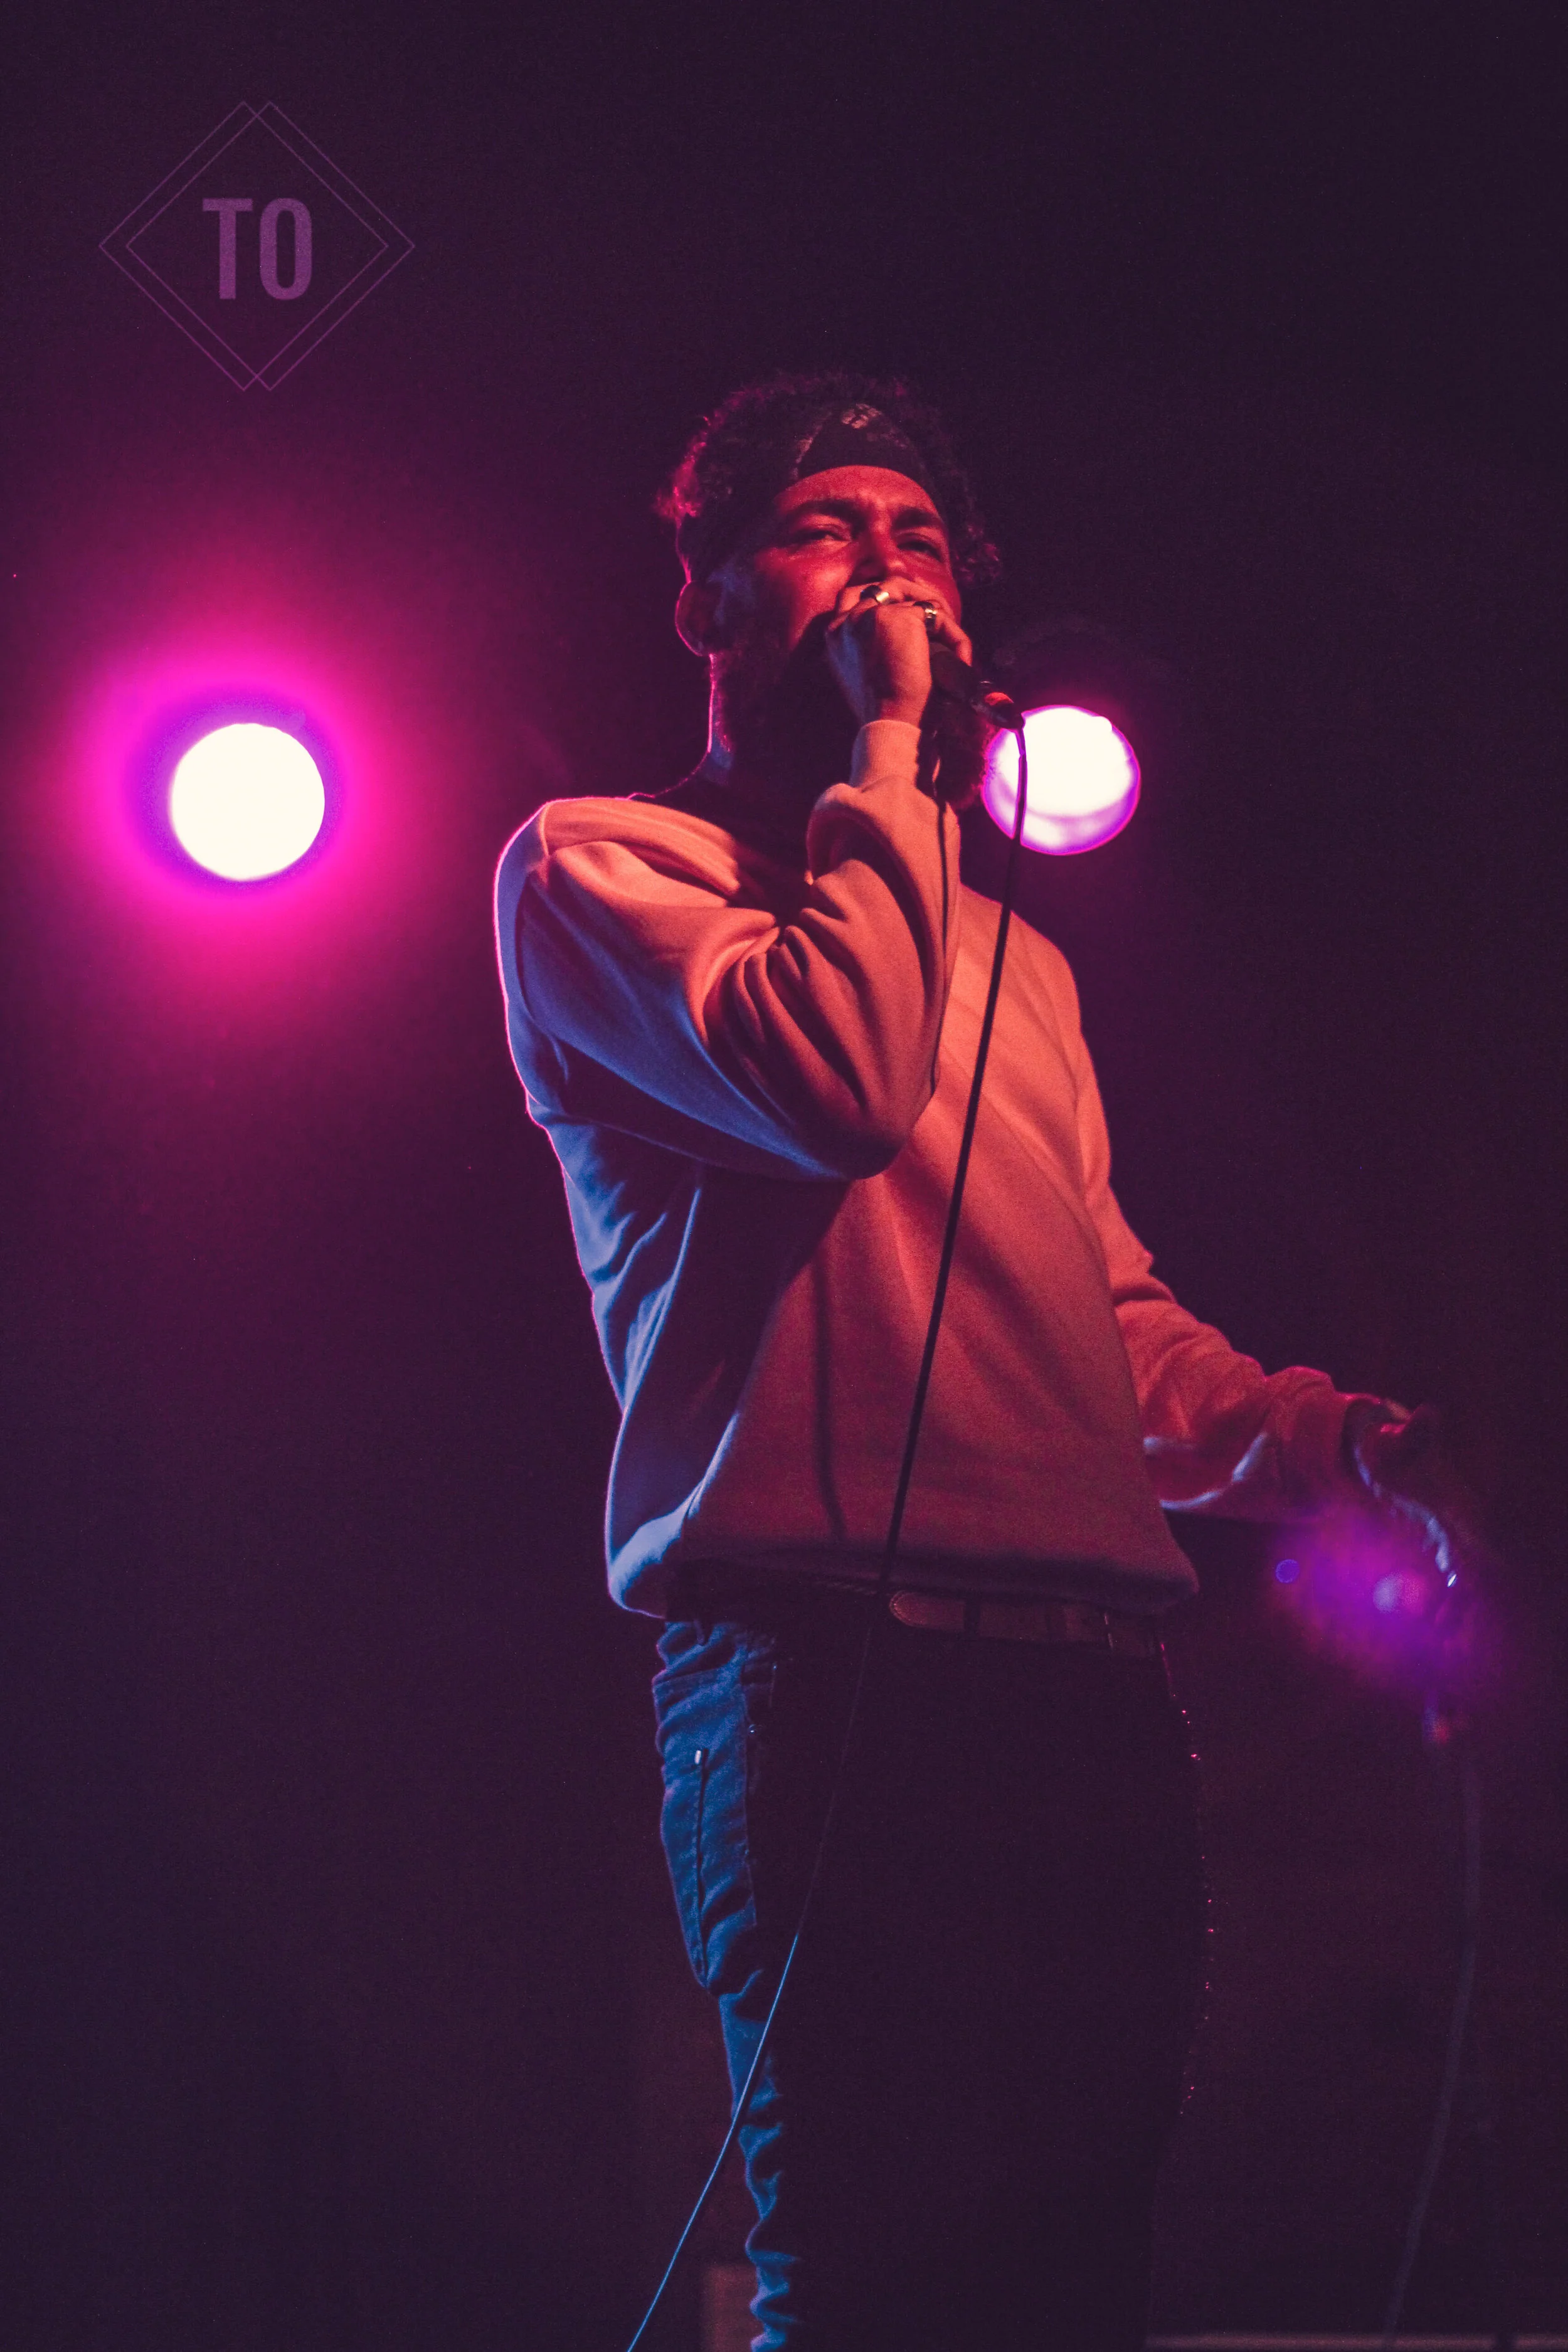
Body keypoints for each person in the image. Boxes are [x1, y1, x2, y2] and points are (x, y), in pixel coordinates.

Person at [493, 374, 1475, 2350]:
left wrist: (1335, 1444)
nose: (885, 571)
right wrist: (884, 750)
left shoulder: (1019, 963)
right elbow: (836, 1080)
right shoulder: (598, 868)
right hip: (823, 1679)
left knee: (1069, 2289)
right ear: (705, 602)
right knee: (874, 2280)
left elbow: (1101, 1327)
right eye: (827, 530)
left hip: (1091, 1699)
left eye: (919, 539)